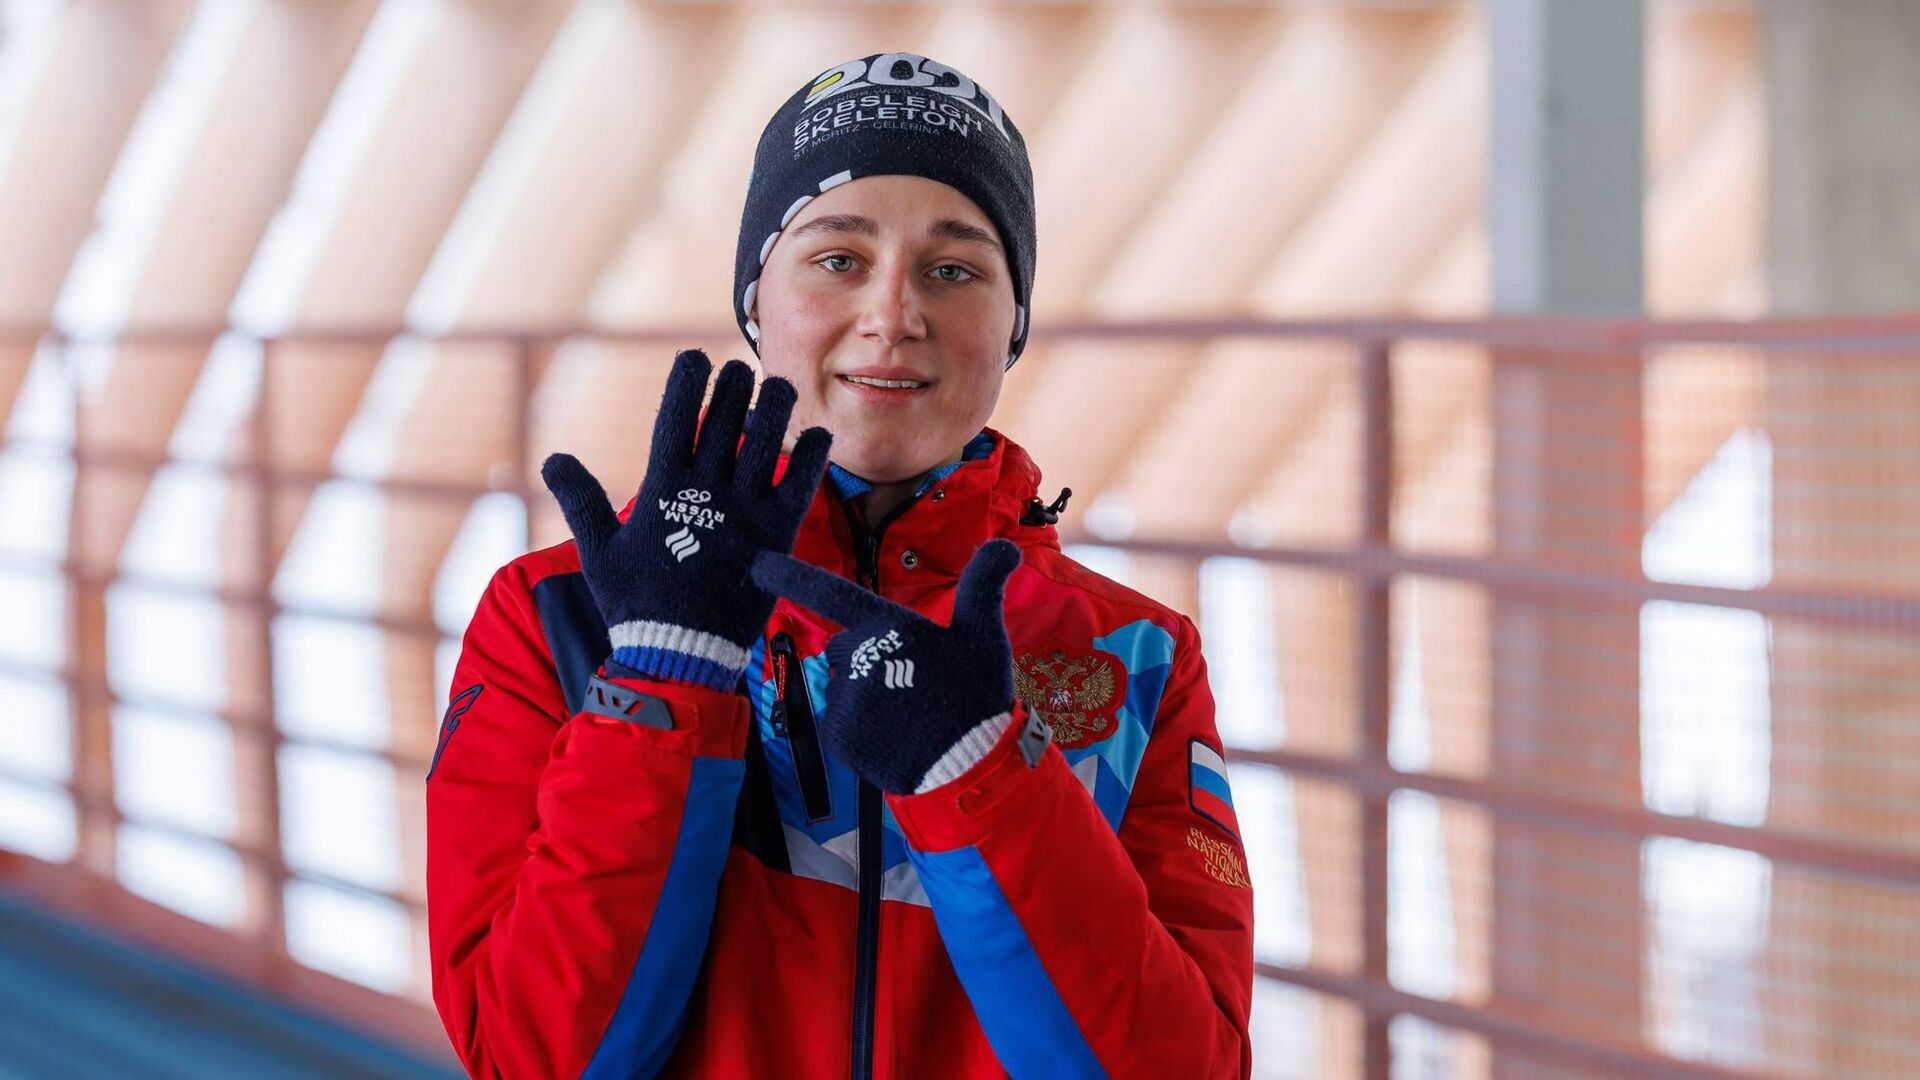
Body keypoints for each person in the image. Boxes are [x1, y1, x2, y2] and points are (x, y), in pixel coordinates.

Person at [426, 52, 1253, 1079]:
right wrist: (664, 678)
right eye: (838, 258)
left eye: (954, 270)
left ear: (1014, 322)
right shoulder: (553, 616)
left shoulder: (1134, 656)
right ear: (756, 301)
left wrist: (984, 777)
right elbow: (537, 1059)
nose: (894, 315)